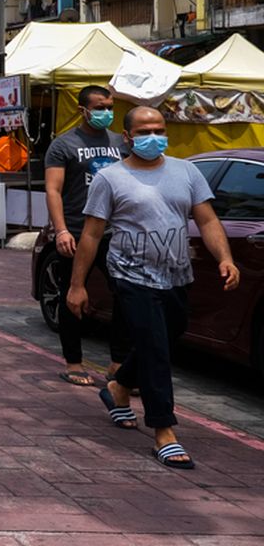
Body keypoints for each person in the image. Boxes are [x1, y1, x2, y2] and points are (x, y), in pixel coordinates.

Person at [68, 107, 239, 470]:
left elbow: (207, 219)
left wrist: (225, 257)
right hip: (131, 275)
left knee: (169, 333)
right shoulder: (110, 178)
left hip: (177, 274)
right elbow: (92, 234)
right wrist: (77, 285)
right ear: (127, 137)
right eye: (145, 130)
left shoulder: (186, 171)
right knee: (156, 349)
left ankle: (117, 388)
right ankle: (164, 431)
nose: (154, 136)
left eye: (159, 129)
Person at [44, 86, 129, 386]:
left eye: (110, 106)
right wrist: (61, 230)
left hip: (114, 233)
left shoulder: (121, 143)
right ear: (83, 110)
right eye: (100, 107)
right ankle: (74, 362)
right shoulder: (64, 145)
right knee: (73, 296)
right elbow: (53, 189)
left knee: (124, 294)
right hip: (78, 232)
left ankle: (118, 363)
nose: (107, 112)